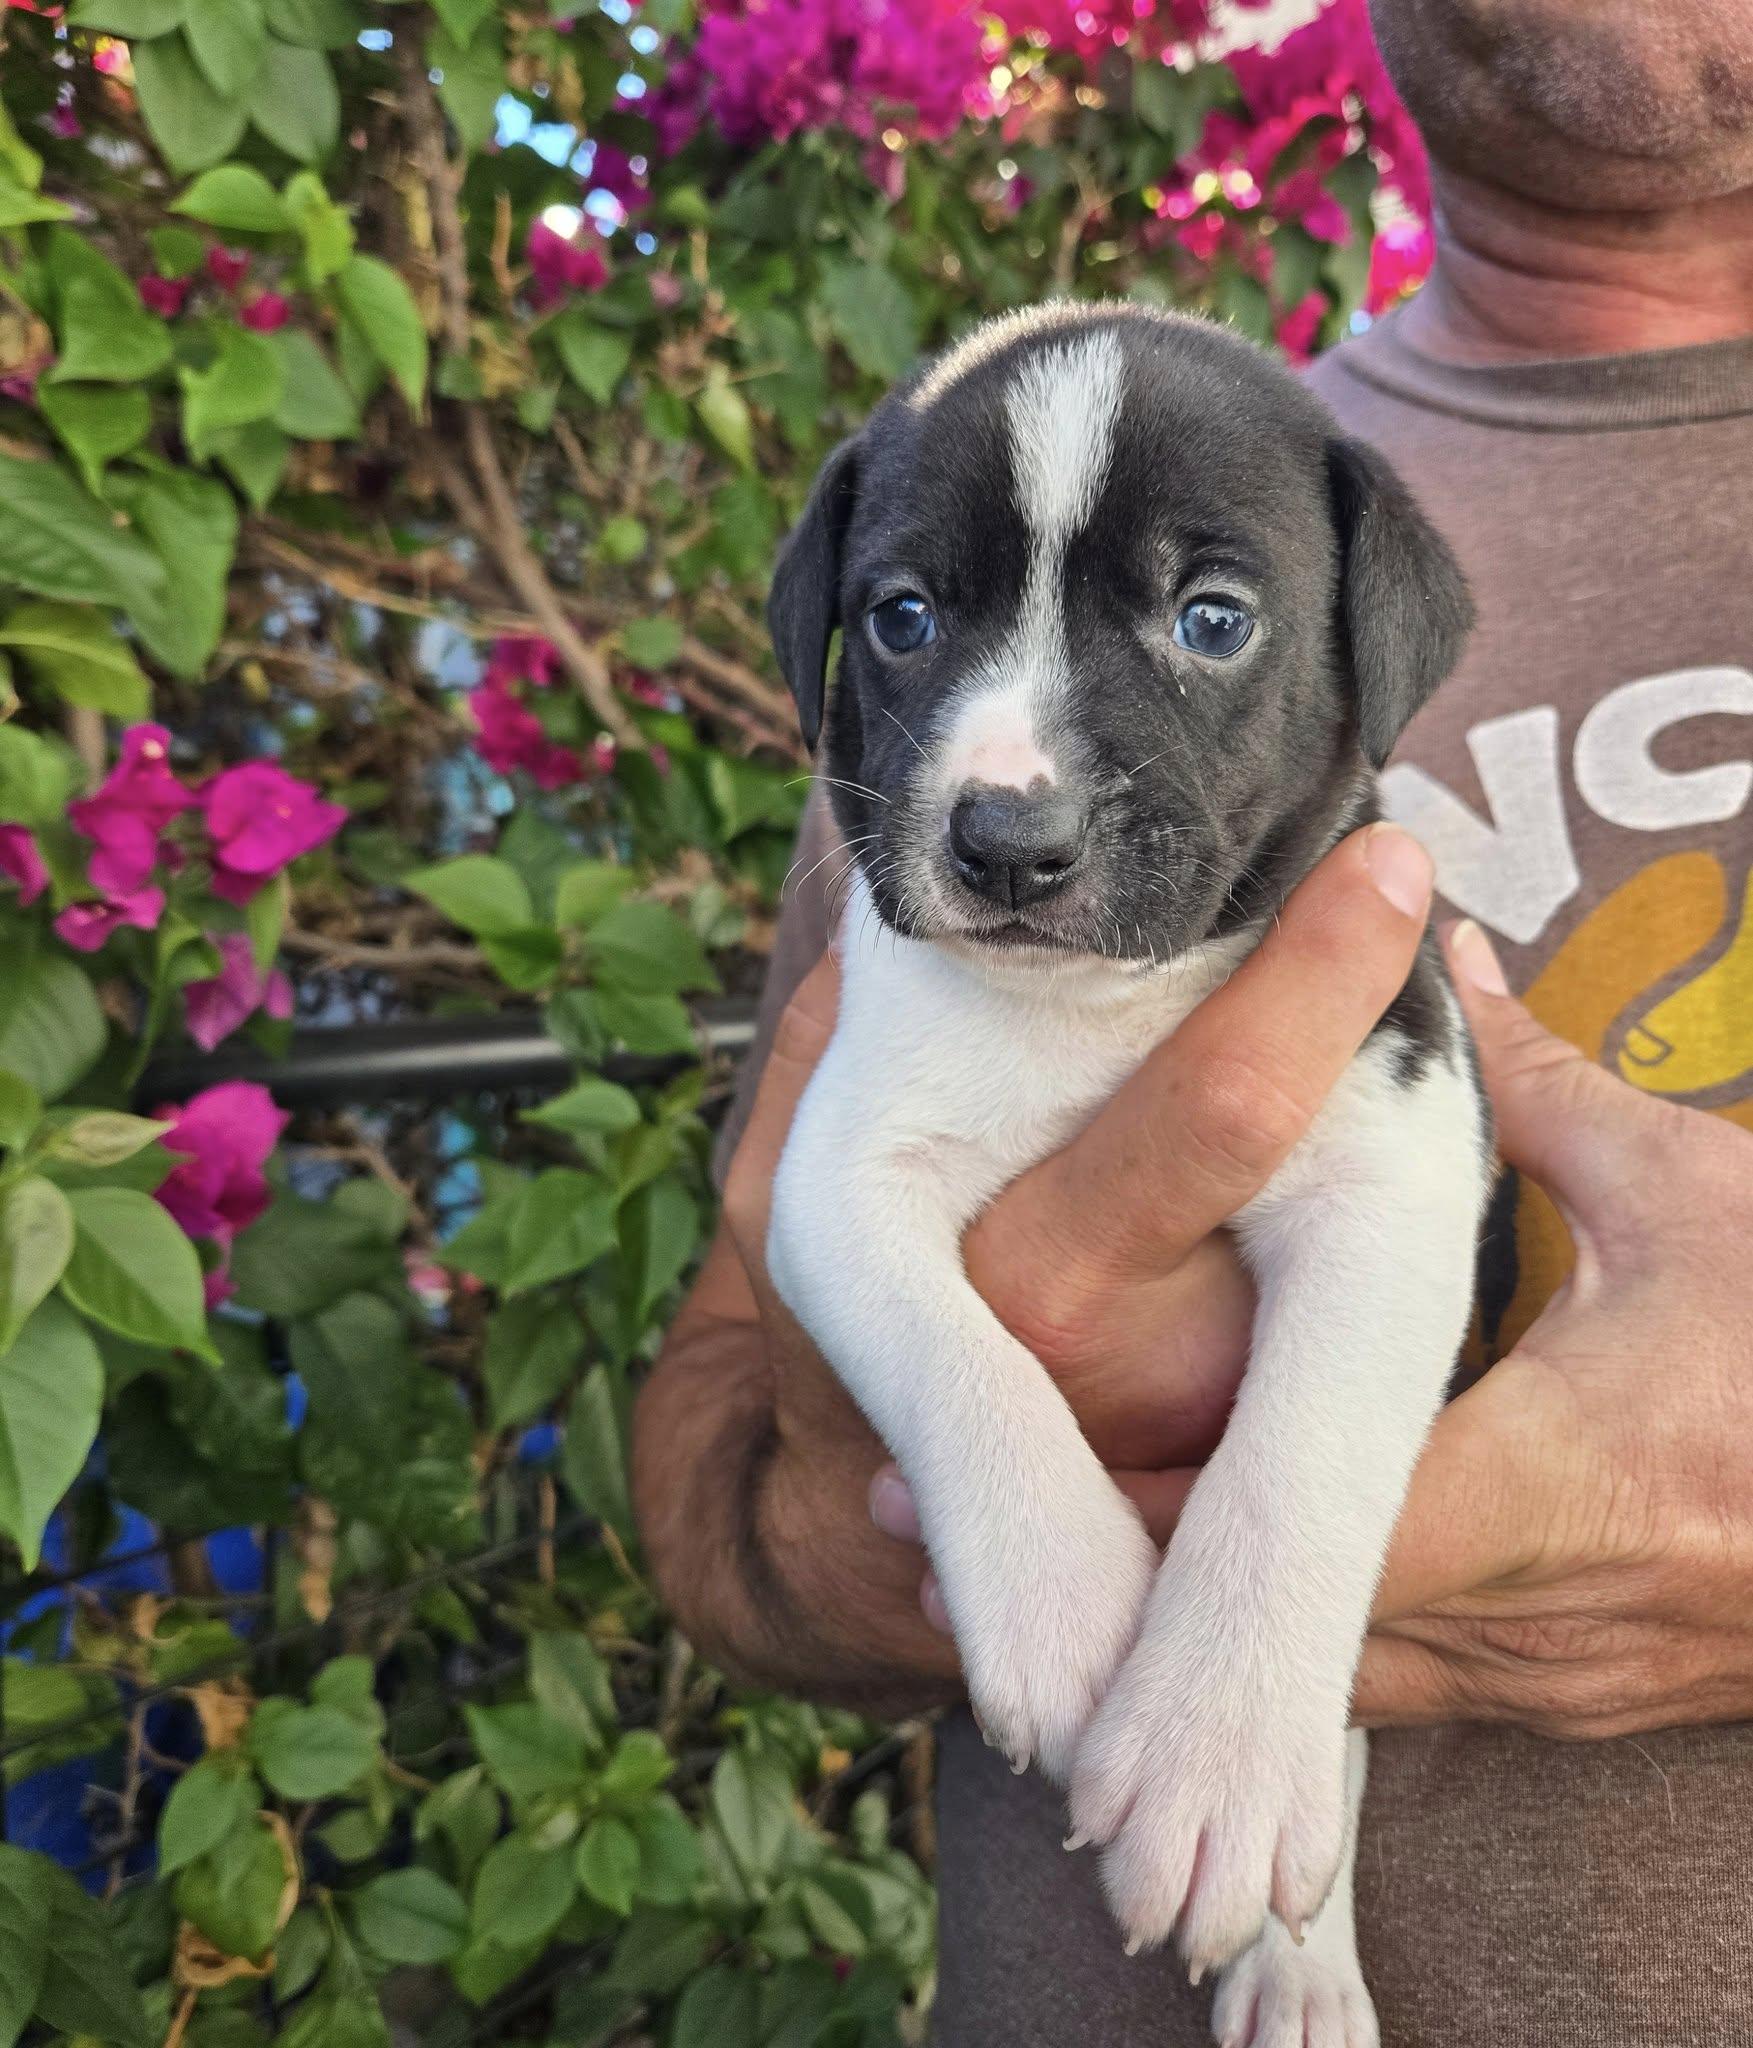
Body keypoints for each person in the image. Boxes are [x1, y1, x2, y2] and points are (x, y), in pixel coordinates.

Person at [633, 0, 1753, 2037]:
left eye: (1201, 622)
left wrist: (1279, 1582)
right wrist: (936, 1501)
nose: (1011, 769)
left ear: (1359, 655)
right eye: (908, 622)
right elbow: (781, 1310)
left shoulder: (1309, 513)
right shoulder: (939, 796)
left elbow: (1381, 1225)